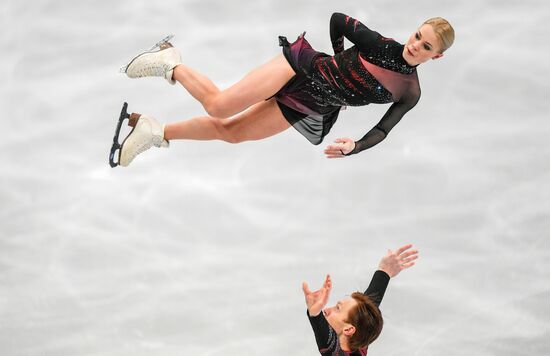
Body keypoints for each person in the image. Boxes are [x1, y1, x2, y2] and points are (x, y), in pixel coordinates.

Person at [114, 12, 454, 167]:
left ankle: (154, 131)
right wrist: (339, 60)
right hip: (301, 68)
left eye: (425, 48)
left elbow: (383, 128)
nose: (415, 46)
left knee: (232, 133)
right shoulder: (380, 45)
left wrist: (356, 146)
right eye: (417, 36)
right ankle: (170, 61)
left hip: (312, 102)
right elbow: (338, 19)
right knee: (219, 106)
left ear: (435, 57)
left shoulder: (410, 92)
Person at [302, 244, 419, 355]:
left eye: (337, 309)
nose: (326, 309)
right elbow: (368, 310)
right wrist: (384, 272)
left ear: (348, 329)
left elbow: (328, 343)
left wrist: (316, 315)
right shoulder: (359, 339)